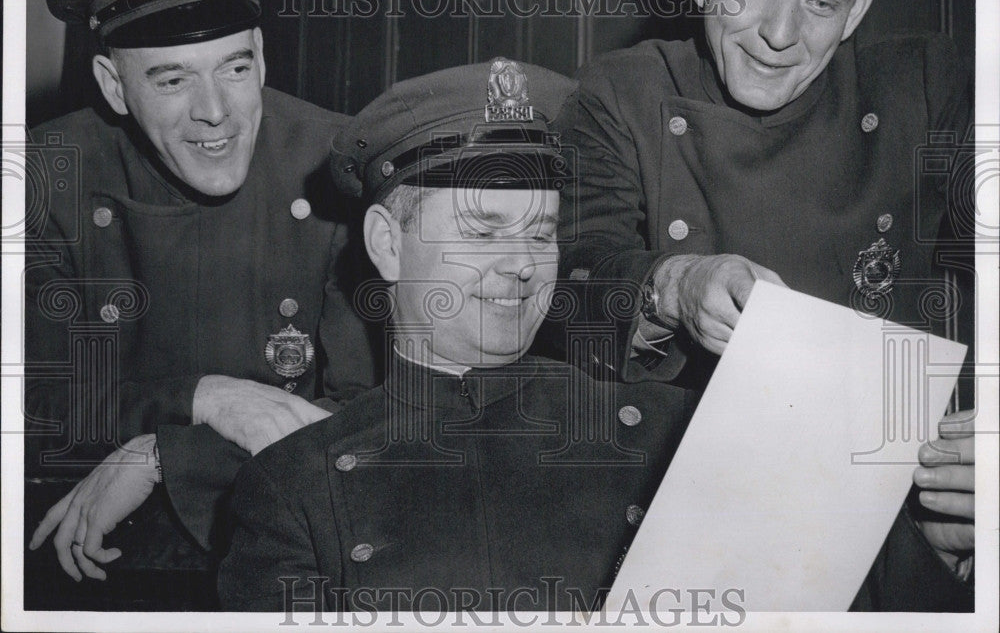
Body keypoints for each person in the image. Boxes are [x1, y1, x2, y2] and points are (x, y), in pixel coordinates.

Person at [218, 59, 974, 613]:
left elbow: (884, 600)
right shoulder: (294, 487)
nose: (519, 265)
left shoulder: (678, 431)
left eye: (542, 232)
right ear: (386, 243)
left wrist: (951, 537)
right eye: (482, 231)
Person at [556, 0, 975, 586]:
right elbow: (576, 278)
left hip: (901, 510)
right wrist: (676, 285)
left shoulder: (929, 87)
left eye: (821, 1)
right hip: (694, 515)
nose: (780, 33)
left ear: (860, 9)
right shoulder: (623, 93)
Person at [23, 0, 374, 608]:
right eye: (172, 79)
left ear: (263, 59)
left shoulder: (338, 165)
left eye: (235, 67)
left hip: (296, 537)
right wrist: (204, 397)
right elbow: (30, 405)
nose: (214, 110)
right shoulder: (45, 177)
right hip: (93, 544)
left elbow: (370, 417)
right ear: (113, 84)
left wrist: (166, 450)